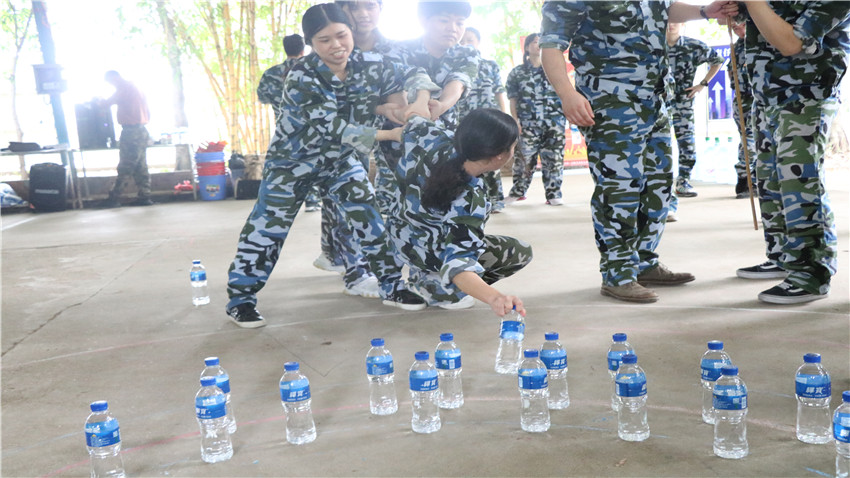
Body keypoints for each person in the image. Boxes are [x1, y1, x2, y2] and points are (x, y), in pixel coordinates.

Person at [226, 3, 438, 327]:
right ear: (311, 43)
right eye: (325, 40)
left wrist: (418, 100)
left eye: (342, 35)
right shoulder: (300, 75)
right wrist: (390, 131)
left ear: (352, 32)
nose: (336, 46)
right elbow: (334, 128)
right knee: (267, 228)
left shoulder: (370, 64)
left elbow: (412, 71)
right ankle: (240, 300)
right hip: (293, 162)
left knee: (370, 217)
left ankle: (393, 286)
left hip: (339, 161)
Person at [539, 0, 737, 303]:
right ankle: (617, 274)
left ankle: (644, 262)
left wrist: (704, 12)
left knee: (658, 185)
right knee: (619, 189)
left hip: (654, 99)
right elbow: (551, 46)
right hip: (609, 100)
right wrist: (567, 94)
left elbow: (665, 8)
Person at [734, 1, 849, 305]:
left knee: (800, 185)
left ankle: (811, 273)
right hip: (767, 95)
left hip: (806, 96)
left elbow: (792, 42)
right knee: (771, 185)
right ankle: (784, 257)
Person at [386, 109, 531, 314]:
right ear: (499, 156)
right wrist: (494, 297)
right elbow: (459, 263)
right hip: (427, 252)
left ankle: (428, 277)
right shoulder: (470, 200)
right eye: (513, 147)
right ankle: (436, 286)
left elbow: (413, 119)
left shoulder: (434, 136)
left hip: (398, 236)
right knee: (519, 252)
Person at [375, 0, 479, 216]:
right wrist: (411, 114)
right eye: (444, 20)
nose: (453, 28)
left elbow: (457, 83)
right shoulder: (397, 49)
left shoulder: (466, 54)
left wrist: (441, 105)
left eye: (460, 23)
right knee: (397, 206)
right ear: (423, 20)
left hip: (445, 140)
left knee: (444, 204)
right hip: (399, 141)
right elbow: (396, 88)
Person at [504, 33, 566, 207]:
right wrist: (515, 121)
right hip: (528, 124)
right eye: (534, 42)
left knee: (554, 159)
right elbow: (513, 99)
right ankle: (518, 192)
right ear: (526, 47)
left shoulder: (555, 69)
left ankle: (554, 193)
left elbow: (566, 92)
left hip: (554, 122)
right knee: (523, 159)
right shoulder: (517, 73)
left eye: (540, 42)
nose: (537, 45)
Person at [666, 22, 724, 199]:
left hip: (684, 102)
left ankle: (683, 181)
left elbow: (718, 60)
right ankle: (661, 185)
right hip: (659, 103)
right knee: (659, 144)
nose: (671, 25)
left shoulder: (693, 46)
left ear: (682, 24)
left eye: (676, 21)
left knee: (687, 144)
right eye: (668, 20)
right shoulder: (653, 45)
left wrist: (702, 84)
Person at [457, 26, 509, 213]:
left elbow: (499, 92)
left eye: (469, 40)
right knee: (466, 161)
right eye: (461, 41)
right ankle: (468, 200)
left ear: (478, 42)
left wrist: (505, 118)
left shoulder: (490, 66)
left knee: (492, 159)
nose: (465, 44)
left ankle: (495, 201)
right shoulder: (455, 67)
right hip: (464, 122)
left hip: (490, 123)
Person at [102, 70, 152, 208]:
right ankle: (145, 195)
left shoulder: (123, 88)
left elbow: (106, 103)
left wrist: (98, 102)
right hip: (141, 130)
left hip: (131, 132)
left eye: (110, 81)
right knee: (141, 165)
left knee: (126, 165)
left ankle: (114, 197)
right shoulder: (136, 87)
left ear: (115, 77)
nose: (112, 85)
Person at [728, 21, 755, 200]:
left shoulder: (758, 42)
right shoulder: (735, 48)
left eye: (742, 26)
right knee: (747, 137)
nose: (740, 31)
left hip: (759, 96)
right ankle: (745, 178)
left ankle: (754, 176)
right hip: (742, 98)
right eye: (735, 28)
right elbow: (732, 72)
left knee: (756, 138)